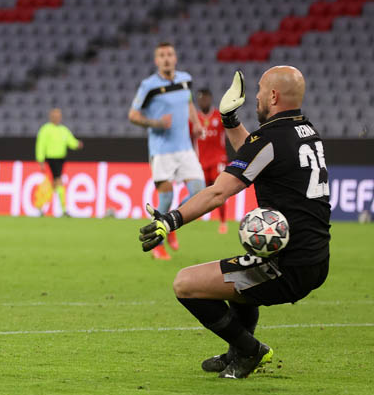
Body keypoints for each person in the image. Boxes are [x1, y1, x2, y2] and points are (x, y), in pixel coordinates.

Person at [139, 66, 331, 379]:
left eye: (258, 91)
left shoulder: (269, 138)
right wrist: (231, 121)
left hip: (287, 264)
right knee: (237, 274)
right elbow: (258, 155)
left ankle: (249, 350)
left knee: (185, 284)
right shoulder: (307, 132)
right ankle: (236, 351)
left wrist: (171, 220)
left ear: (272, 96)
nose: (254, 97)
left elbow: (218, 192)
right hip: (314, 257)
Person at [128, 42, 205, 260]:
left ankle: (171, 223)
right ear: (156, 61)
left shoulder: (185, 79)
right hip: (162, 150)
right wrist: (156, 123)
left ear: (176, 58)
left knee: (200, 192)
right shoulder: (148, 86)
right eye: (162, 55)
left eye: (170, 54)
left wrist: (196, 123)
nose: (166, 58)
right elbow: (133, 115)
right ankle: (157, 246)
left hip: (185, 149)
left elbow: (189, 103)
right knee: (165, 198)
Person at [35, 108, 83, 216]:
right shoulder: (45, 129)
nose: (57, 118)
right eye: (55, 116)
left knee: (54, 184)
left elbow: (70, 141)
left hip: (60, 159)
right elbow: (40, 145)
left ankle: (41, 205)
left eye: (59, 116)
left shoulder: (63, 130)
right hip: (51, 159)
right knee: (57, 182)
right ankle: (63, 209)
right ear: (51, 117)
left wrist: (77, 144)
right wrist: (40, 160)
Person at [194, 88, 229, 234]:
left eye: (206, 98)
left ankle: (223, 222)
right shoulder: (194, 119)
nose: (203, 101)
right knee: (201, 191)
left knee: (219, 190)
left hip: (218, 160)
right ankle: (196, 216)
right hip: (201, 161)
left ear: (210, 99)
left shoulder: (219, 116)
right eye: (201, 99)